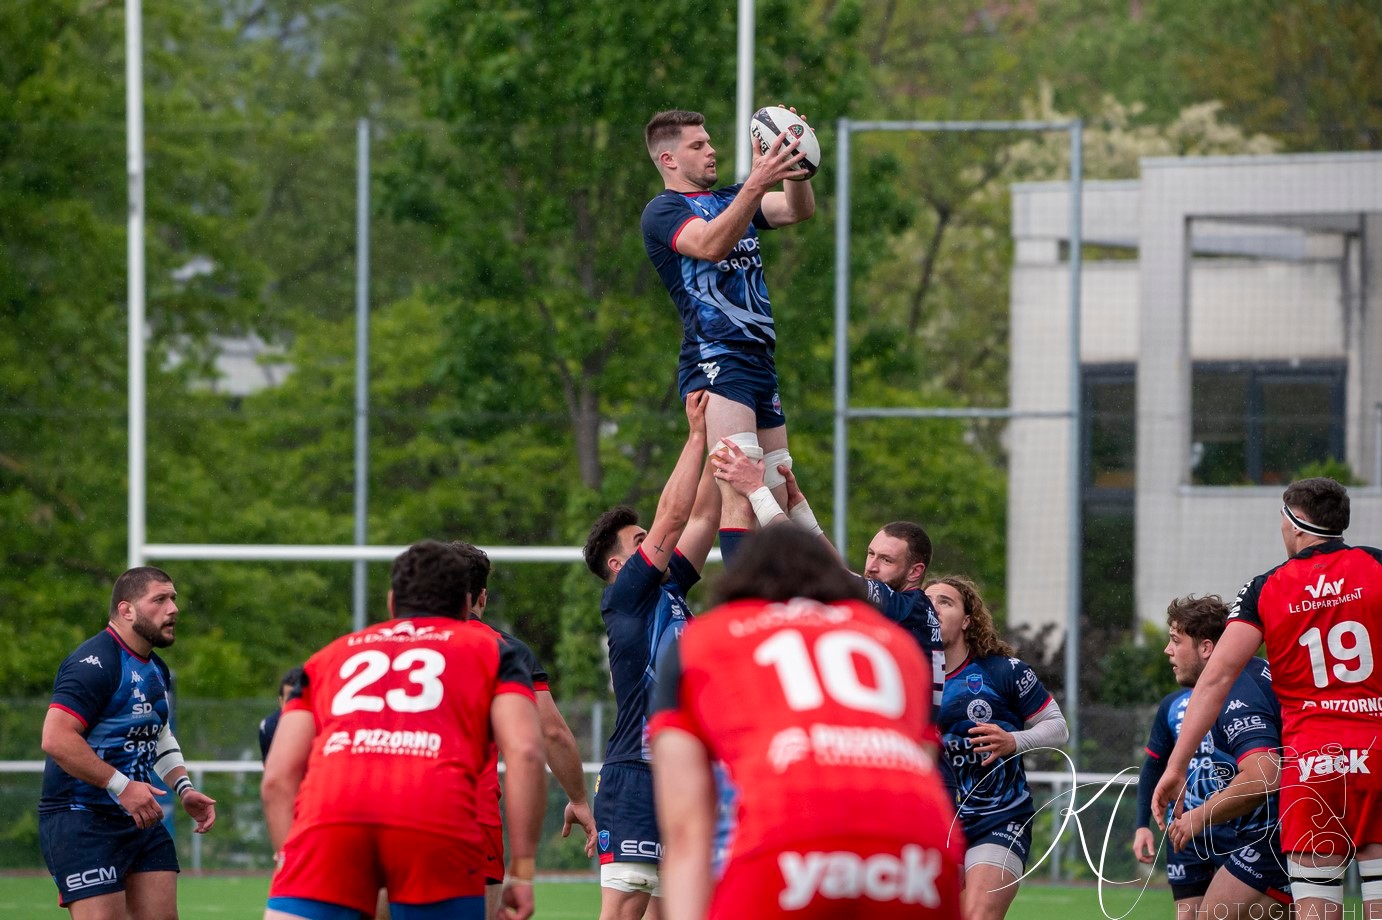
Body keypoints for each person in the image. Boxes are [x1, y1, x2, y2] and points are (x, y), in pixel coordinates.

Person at [649, 525, 963, 920]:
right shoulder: (891, 642)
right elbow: (923, 752)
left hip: (790, 832)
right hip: (917, 841)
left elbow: (687, 831)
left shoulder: (707, 639)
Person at [261, 540, 547, 920]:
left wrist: (291, 859)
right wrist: (523, 871)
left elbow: (277, 778)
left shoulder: (328, 657)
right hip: (434, 818)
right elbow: (526, 752)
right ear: (466, 603)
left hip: (330, 817)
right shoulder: (493, 651)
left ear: (392, 602)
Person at [1152, 478, 1382, 920]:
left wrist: (1176, 766)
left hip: (1312, 765)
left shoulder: (1267, 588)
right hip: (1376, 754)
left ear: (1296, 524)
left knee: (1317, 907)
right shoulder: (1376, 565)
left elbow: (1216, 678)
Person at [583, 390, 720, 920]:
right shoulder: (626, 596)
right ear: (620, 565)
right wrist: (696, 435)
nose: (654, 544)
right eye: (640, 541)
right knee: (624, 911)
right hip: (636, 773)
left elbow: (702, 517)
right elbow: (674, 515)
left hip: (683, 773)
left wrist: (725, 445)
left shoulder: (670, 590)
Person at [641, 108, 815, 514]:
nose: (711, 150)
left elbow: (797, 210)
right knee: (742, 493)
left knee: (775, 495)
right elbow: (710, 245)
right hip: (716, 358)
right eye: (698, 145)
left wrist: (795, 161)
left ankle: (773, 561)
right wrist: (755, 183)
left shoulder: (729, 199)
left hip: (760, 360)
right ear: (668, 159)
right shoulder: (662, 211)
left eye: (709, 142)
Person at [709, 441, 945, 713]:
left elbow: (822, 567)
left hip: (902, 732)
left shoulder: (907, 608)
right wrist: (801, 512)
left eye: (886, 560)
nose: (872, 566)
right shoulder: (911, 606)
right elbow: (840, 574)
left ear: (916, 571)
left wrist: (755, 489)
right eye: (871, 554)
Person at [39, 566, 217, 919]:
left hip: (139, 818)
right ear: (127, 610)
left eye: (174, 599)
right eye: (160, 600)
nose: (173, 609)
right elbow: (55, 737)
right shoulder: (94, 664)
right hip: (82, 818)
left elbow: (157, 732)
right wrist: (121, 786)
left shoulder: (156, 669)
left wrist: (183, 788)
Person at [450, 541, 597, 920]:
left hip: (385, 812)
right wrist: (579, 799)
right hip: (467, 815)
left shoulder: (387, 644)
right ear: (482, 597)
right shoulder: (503, 649)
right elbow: (550, 734)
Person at [1134, 595, 1290, 920]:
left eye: (1176, 640)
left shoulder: (1237, 686)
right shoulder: (1251, 674)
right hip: (1283, 830)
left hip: (1275, 837)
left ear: (1206, 648)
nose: (1167, 650)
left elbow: (1263, 776)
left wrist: (1199, 816)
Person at [924, 575, 1068, 920]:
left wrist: (1013, 740)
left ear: (967, 620)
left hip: (999, 817)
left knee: (979, 915)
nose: (934, 608)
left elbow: (1058, 727)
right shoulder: (908, 675)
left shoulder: (1002, 672)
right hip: (938, 821)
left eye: (945, 601)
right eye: (927, 602)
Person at [257, 666, 305, 762]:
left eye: (301, 698)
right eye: (291, 698)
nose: (296, 704)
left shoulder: (325, 724)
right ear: (281, 702)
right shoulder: (269, 727)